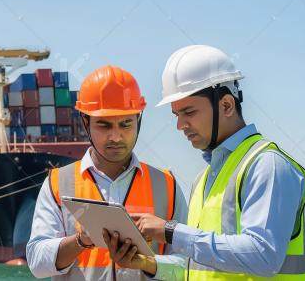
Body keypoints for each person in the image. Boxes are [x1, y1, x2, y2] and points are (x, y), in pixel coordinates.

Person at [106, 45, 305, 280]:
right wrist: (146, 263)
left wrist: (170, 231)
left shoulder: (267, 165)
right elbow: (199, 270)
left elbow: (263, 256)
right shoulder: (202, 180)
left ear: (226, 105)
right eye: (176, 115)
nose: (180, 125)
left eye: (189, 112)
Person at [27, 65, 188, 280]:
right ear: (86, 122)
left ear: (138, 120)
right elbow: (37, 263)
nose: (116, 137)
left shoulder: (166, 185)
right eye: (104, 125)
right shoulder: (57, 183)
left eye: (125, 124)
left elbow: (187, 266)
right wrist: (81, 241)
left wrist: (146, 263)